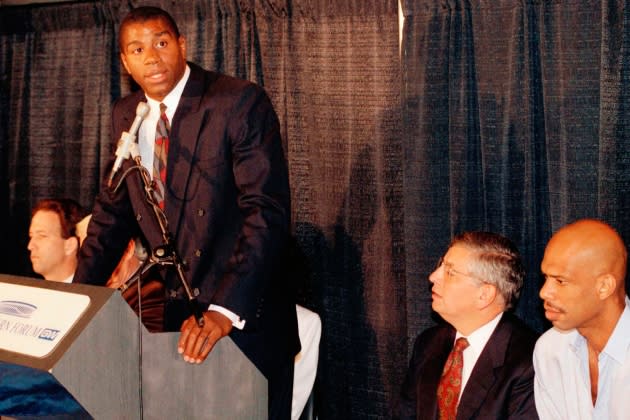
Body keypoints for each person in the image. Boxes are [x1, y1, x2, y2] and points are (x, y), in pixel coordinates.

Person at [73, 6, 299, 419]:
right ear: (125, 62)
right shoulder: (126, 114)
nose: (152, 57)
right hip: (178, 323)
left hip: (244, 318)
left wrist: (223, 311)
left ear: (181, 44)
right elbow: (111, 215)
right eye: (138, 49)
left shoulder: (237, 102)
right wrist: (74, 300)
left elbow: (265, 212)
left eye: (161, 43)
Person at [396, 231, 539, 419]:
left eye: (450, 272)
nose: (433, 277)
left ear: (484, 295)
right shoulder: (429, 343)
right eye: (441, 265)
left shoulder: (529, 362)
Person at [533, 219, 630, 419]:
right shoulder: (550, 350)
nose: (544, 292)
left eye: (561, 281)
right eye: (545, 278)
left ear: (604, 287)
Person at [28, 198, 87, 282]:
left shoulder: (99, 293)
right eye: (31, 236)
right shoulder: (26, 292)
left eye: (41, 236)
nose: (30, 246)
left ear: (70, 246)